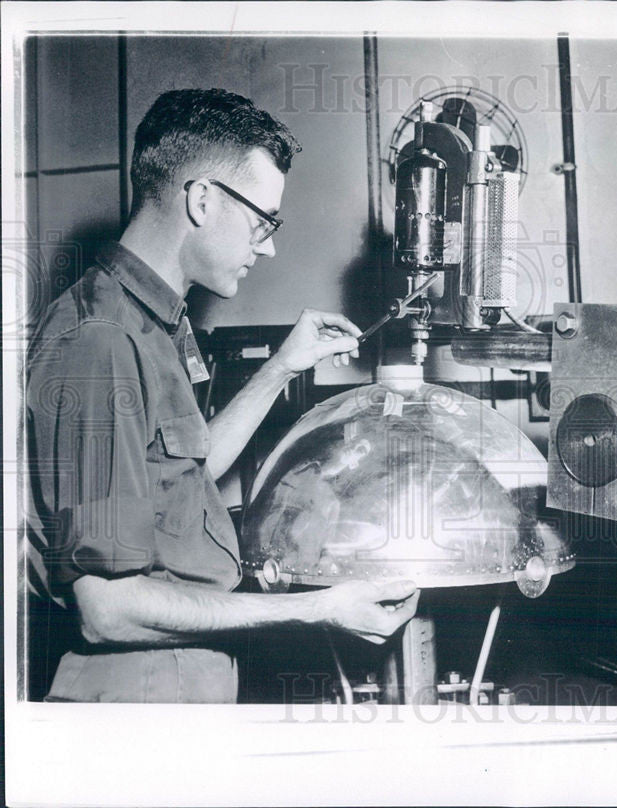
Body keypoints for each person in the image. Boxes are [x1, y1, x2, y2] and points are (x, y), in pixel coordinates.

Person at [25, 88, 419, 703]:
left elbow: (178, 483)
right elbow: (107, 608)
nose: (268, 247)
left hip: (186, 681)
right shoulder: (99, 340)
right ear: (203, 200)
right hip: (139, 703)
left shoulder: (154, 321)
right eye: (264, 221)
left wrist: (281, 369)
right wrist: (317, 608)